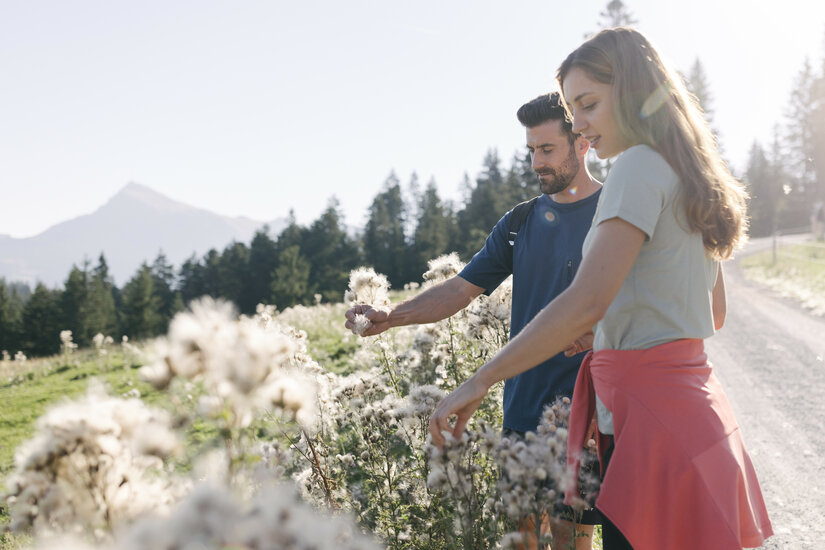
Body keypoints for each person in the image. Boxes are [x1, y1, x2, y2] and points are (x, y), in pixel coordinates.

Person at [429, 27, 773, 550]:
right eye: (573, 110)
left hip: (652, 432)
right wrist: (611, 333)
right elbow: (712, 312)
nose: (580, 124)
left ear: (633, 90)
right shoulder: (688, 170)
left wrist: (479, 381)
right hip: (694, 416)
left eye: (588, 104)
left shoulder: (637, 166)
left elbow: (585, 300)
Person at [346, 92, 602, 549]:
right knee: (523, 540)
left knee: (570, 541)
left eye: (547, 149)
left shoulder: (614, 217)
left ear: (582, 143)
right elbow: (459, 289)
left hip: (588, 415)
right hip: (522, 414)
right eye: (531, 150)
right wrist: (392, 315)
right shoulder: (520, 223)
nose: (536, 163)